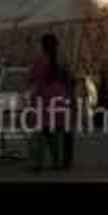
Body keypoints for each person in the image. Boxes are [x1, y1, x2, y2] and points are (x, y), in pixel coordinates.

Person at [29, 33, 74, 171]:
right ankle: (63, 162)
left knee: (43, 132)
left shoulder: (39, 61)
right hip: (62, 98)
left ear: (43, 46)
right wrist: (71, 98)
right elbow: (70, 80)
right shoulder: (63, 60)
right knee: (64, 132)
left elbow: (32, 80)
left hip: (45, 99)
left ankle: (41, 163)